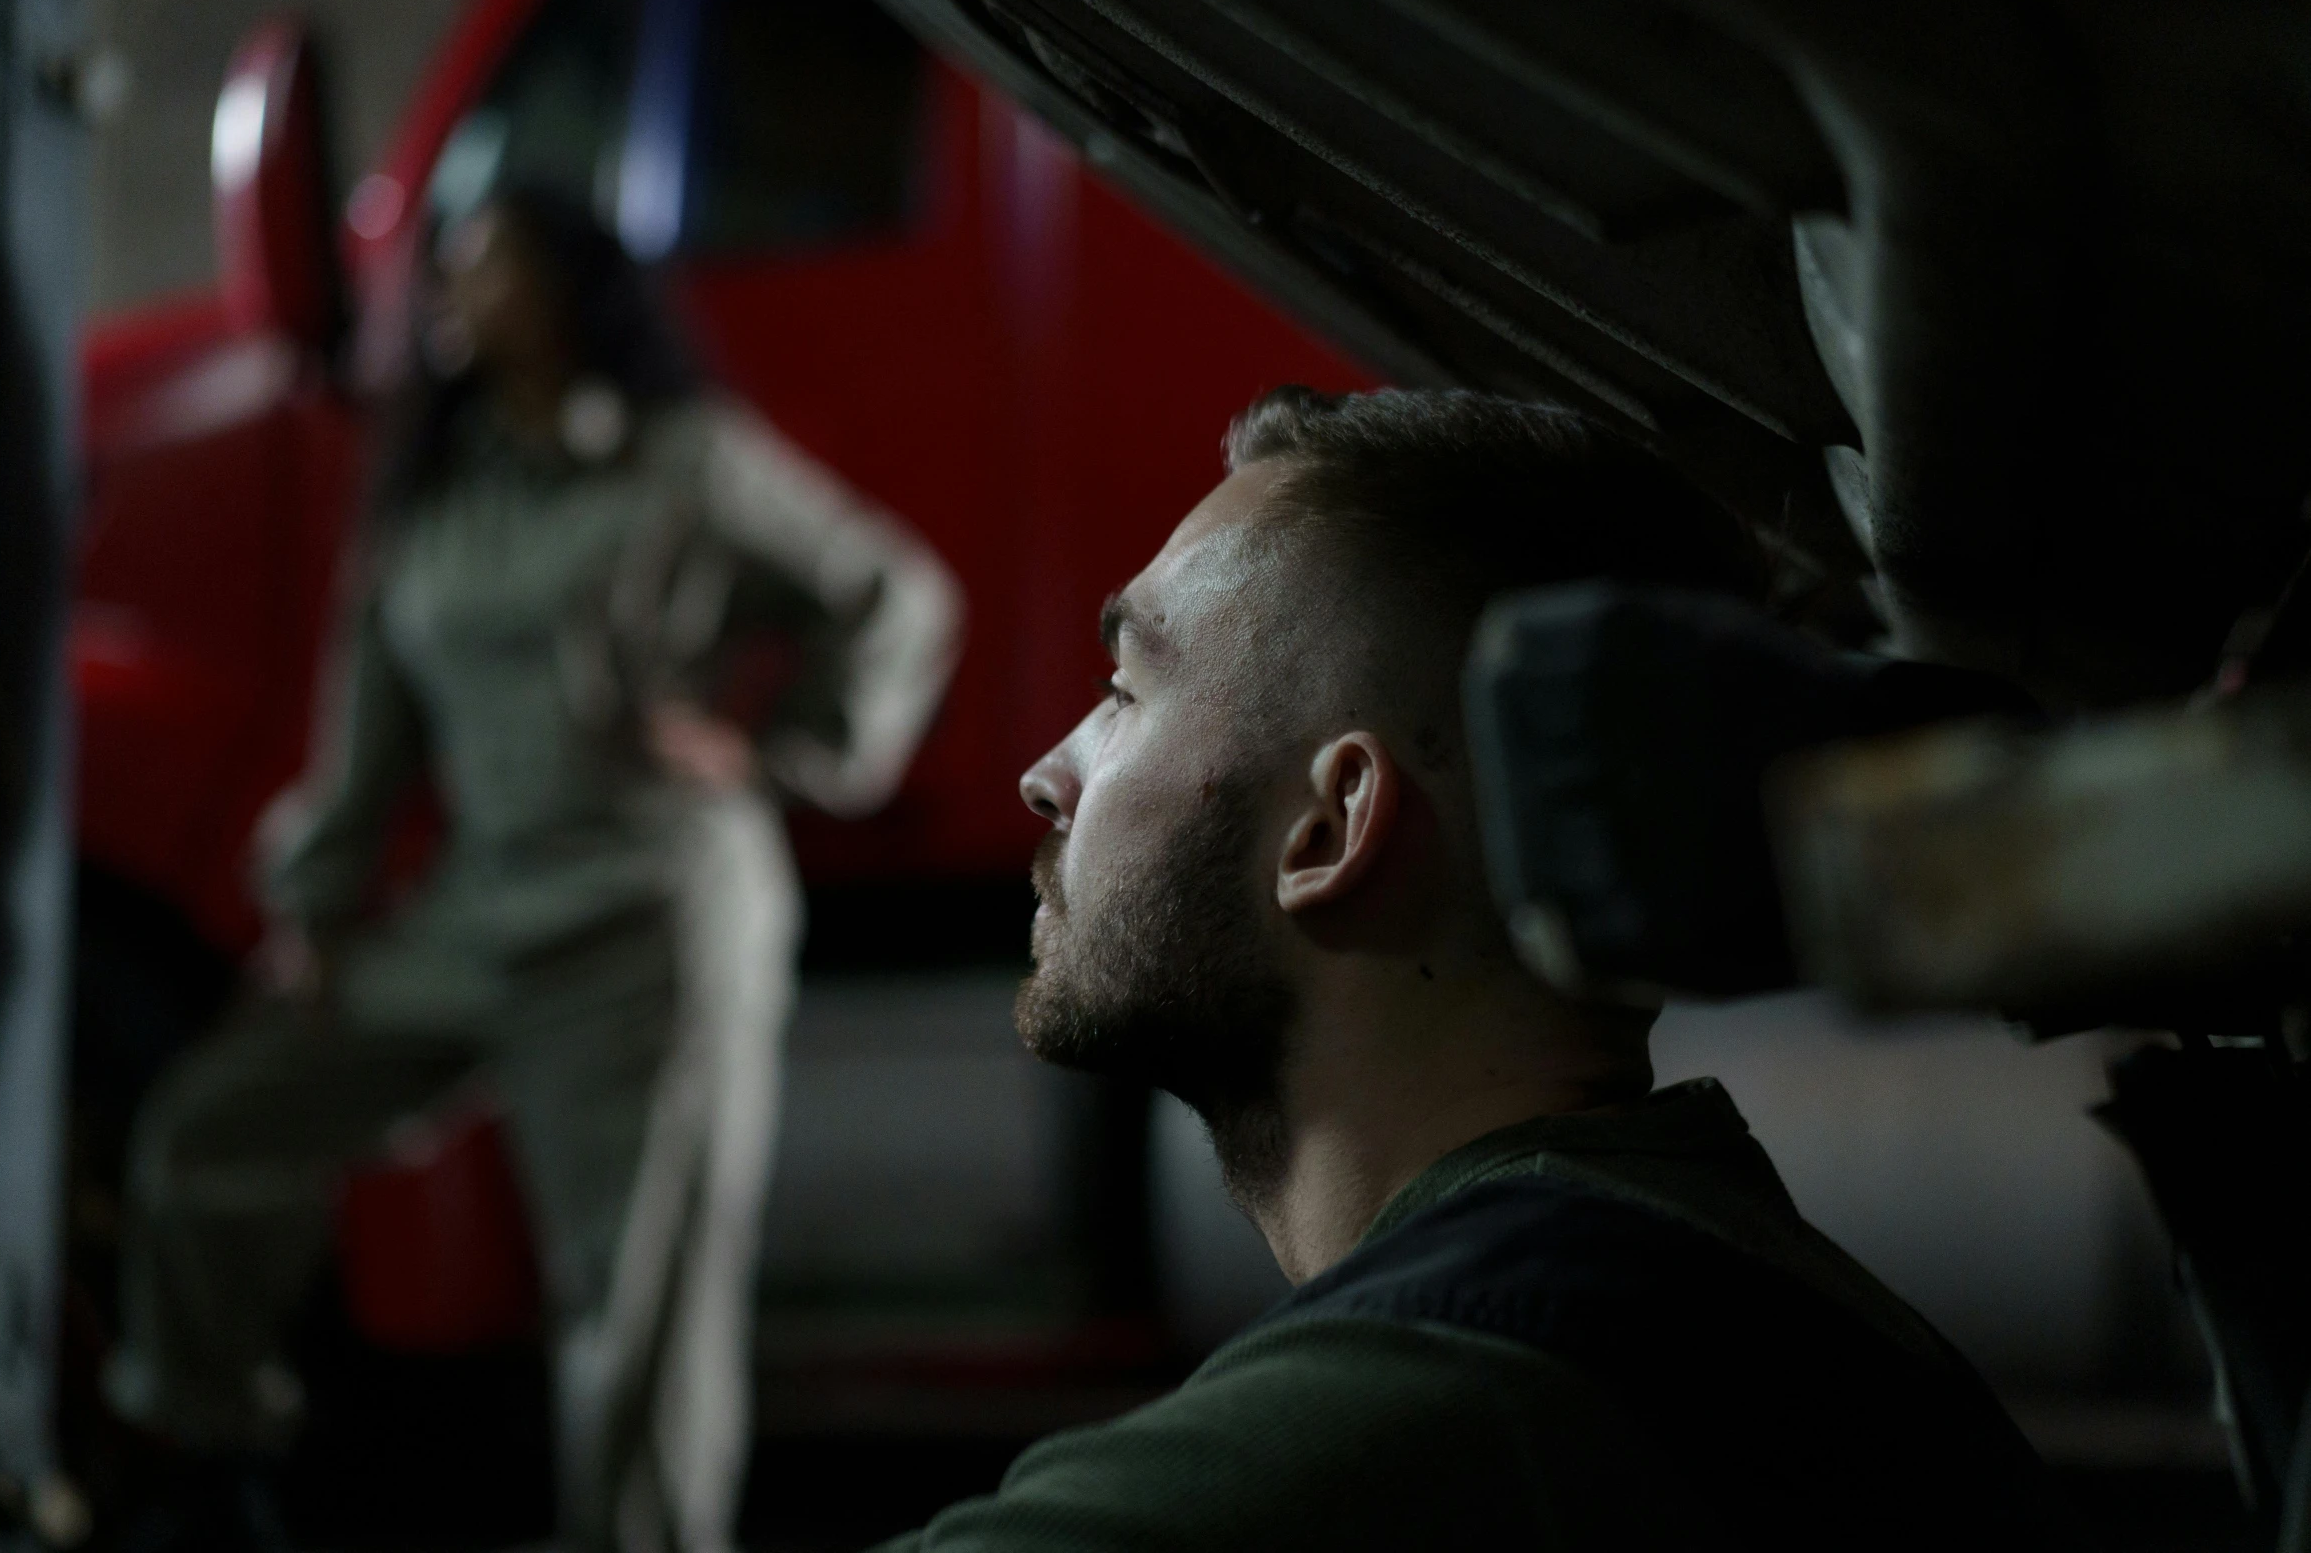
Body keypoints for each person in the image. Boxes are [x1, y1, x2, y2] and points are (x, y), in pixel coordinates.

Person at [880, 387, 2074, 1550]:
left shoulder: (1491, 1368)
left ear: (1329, 827)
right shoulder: (1718, 1298)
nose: (1047, 772)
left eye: (1123, 689)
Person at [104, 186, 961, 1552]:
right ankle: (211, 1456)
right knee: (211, 1135)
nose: (449, 281)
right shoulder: (429, 496)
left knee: (632, 1315)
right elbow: (362, 733)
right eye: (443, 263)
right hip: (476, 913)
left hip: (648, 922)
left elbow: (894, 593)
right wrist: (317, 910)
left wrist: (772, 743)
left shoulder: (683, 461)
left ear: (568, 288)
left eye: (485, 259)